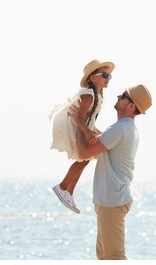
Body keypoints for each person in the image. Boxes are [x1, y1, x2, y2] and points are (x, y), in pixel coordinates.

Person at [69, 84, 152, 260]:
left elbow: (83, 153)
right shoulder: (123, 128)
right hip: (110, 201)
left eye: (123, 96)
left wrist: (79, 120)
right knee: (104, 257)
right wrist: (85, 125)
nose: (117, 97)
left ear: (131, 106)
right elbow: (97, 146)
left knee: (114, 258)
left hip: (112, 202)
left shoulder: (120, 129)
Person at [49, 59, 115, 214]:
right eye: (105, 75)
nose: (108, 78)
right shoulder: (88, 95)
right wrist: (87, 132)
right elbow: (79, 118)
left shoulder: (97, 94)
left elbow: (89, 118)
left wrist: (95, 130)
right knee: (83, 158)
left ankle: (69, 192)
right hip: (79, 129)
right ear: (93, 78)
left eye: (109, 76)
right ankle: (63, 186)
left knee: (84, 160)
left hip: (84, 129)